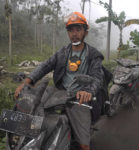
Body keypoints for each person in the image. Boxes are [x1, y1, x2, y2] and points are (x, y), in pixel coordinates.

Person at [15, 12, 105, 150]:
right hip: (60, 93)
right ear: (68, 33)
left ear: (85, 32)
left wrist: (88, 91)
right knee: (36, 114)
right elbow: (45, 66)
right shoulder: (62, 52)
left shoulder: (93, 54)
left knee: (83, 143)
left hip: (79, 97)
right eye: (71, 30)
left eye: (78, 29)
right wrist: (27, 81)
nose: (74, 33)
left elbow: (97, 77)